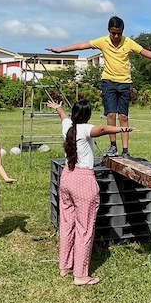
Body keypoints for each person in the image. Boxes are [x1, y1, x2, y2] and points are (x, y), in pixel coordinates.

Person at [46, 16, 151, 159]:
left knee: (123, 116)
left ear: (123, 31)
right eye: (113, 33)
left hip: (125, 83)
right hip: (108, 82)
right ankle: (113, 146)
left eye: (119, 33)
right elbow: (82, 45)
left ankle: (125, 150)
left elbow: (145, 52)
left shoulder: (128, 42)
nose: (116, 36)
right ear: (108, 31)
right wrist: (60, 51)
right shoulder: (103, 41)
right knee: (110, 114)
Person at [47, 99, 135, 286]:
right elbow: (102, 130)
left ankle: (65, 266)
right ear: (87, 116)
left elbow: (63, 117)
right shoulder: (85, 129)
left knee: (67, 223)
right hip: (83, 181)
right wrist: (122, 129)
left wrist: (58, 108)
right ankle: (80, 275)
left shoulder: (68, 127)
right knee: (84, 228)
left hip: (67, 178)